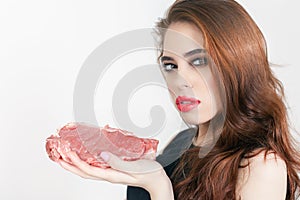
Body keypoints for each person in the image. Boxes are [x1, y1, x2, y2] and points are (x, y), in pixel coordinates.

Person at [59, 0, 300, 199]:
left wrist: (159, 188)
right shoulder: (180, 142)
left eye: (199, 61)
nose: (180, 80)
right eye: (170, 65)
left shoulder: (262, 166)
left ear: (238, 65)